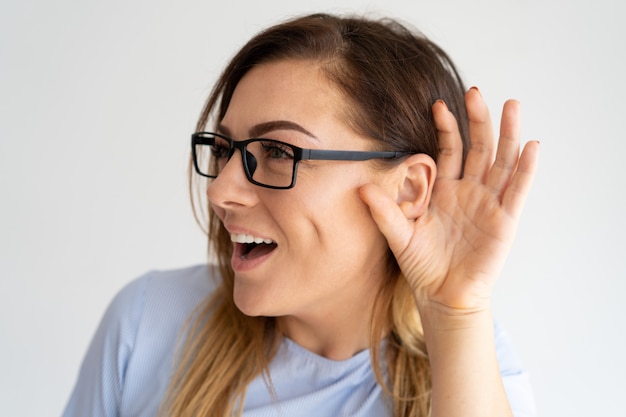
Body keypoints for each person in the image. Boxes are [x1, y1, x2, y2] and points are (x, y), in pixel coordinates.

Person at [62, 13, 539, 417]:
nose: (221, 191)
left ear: (408, 189)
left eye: (277, 151)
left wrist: (452, 313)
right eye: (224, 149)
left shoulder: (470, 364)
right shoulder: (148, 321)